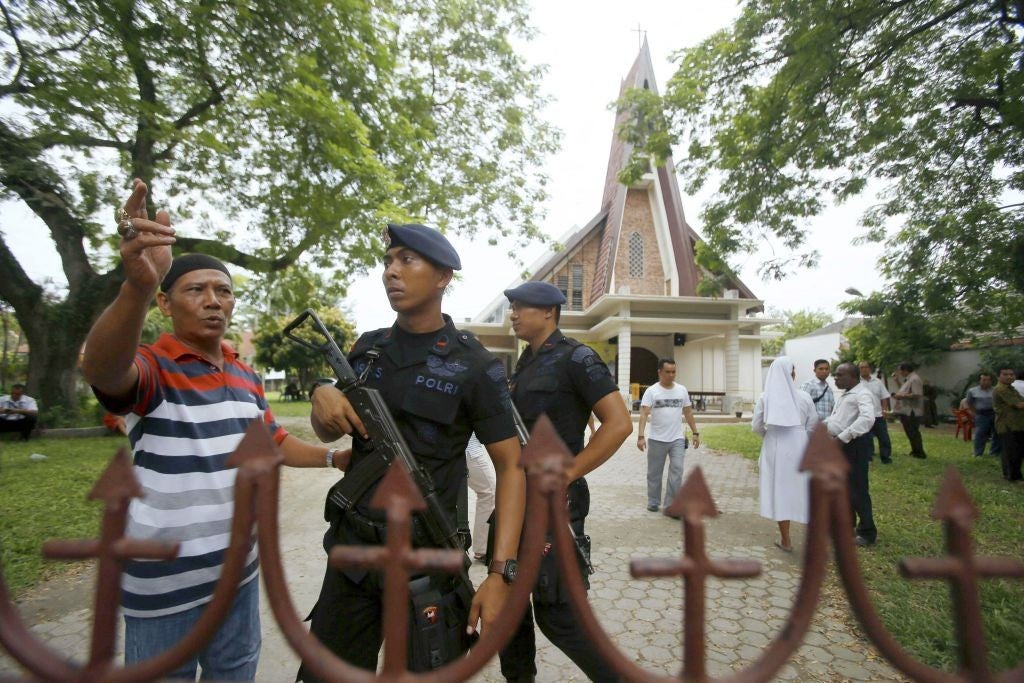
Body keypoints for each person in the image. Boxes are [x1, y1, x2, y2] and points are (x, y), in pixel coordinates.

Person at [81, 179, 346, 681]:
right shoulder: (153, 367)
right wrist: (135, 286)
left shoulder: (243, 371)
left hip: (238, 577)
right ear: (165, 304)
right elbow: (102, 370)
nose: (213, 301)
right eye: (196, 290)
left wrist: (335, 458)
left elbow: (272, 440)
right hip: (165, 589)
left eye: (223, 291)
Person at [302, 223, 525, 679]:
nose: (391, 272)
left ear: (443, 277)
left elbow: (512, 467)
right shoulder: (367, 349)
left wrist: (501, 574)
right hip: (354, 556)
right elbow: (330, 434)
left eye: (406, 260)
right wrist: (319, 395)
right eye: (387, 261)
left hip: (428, 563)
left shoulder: (475, 365)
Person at [500, 281, 632, 683]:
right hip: (515, 500)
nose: (513, 314)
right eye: (513, 307)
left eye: (521, 307)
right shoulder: (525, 363)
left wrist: (571, 470)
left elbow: (619, 424)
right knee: (508, 608)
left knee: (559, 615)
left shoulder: (578, 358)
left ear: (548, 313)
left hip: (556, 504)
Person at [752, 357, 818, 552]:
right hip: (800, 445)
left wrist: (770, 435)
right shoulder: (804, 397)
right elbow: (813, 425)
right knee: (803, 489)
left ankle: (786, 540)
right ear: (792, 374)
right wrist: (800, 437)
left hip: (775, 447)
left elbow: (756, 426)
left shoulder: (766, 397)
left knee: (780, 490)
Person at [638, 358, 701, 514]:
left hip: (677, 439)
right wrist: (640, 436)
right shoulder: (652, 391)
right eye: (668, 372)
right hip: (656, 439)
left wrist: (695, 432)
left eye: (674, 372)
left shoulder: (682, 390)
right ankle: (653, 501)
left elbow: (688, 412)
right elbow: (644, 413)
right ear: (660, 372)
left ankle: (671, 505)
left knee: (677, 470)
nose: (671, 375)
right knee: (654, 473)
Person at [824, 363, 877, 546]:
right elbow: (837, 418)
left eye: (839, 375)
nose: (835, 378)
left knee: (857, 489)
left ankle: (867, 532)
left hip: (853, 446)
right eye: (835, 375)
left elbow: (867, 419)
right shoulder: (846, 393)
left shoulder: (862, 393)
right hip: (839, 444)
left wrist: (842, 437)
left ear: (853, 376)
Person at [465, 432, 496, 562]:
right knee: (489, 492)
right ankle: (482, 548)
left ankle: (481, 547)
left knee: (488, 492)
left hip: (470, 448)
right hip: (471, 450)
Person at [992, 365, 1024, 483]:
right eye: (1005, 374)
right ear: (998, 376)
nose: (1009, 376)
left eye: (1011, 374)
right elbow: (1019, 405)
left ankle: (1012, 475)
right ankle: (1013, 477)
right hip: (1007, 425)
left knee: (1017, 451)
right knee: (1012, 452)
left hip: (1017, 425)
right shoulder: (1001, 389)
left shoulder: (1011, 389)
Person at [857, 361, 893, 464]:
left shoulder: (877, 382)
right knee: (866, 438)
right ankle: (868, 457)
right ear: (859, 370)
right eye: (861, 367)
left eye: (866, 367)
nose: (864, 369)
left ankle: (885, 457)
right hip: (864, 415)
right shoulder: (856, 383)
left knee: (884, 437)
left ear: (869, 369)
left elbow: (884, 397)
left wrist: (885, 410)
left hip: (878, 415)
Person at [892, 362, 928, 459]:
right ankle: (914, 450)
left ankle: (919, 452)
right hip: (907, 410)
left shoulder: (914, 379)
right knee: (909, 431)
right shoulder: (909, 379)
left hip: (912, 410)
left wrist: (901, 396)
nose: (900, 372)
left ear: (905, 370)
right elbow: (904, 391)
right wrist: (897, 381)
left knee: (913, 432)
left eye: (900, 370)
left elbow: (917, 394)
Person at [965, 372, 1001, 458]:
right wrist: (973, 413)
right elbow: (969, 403)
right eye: (984, 380)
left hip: (994, 414)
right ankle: (978, 453)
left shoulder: (995, 390)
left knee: (997, 433)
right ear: (980, 380)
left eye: (988, 380)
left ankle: (994, 452)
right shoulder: (972, 391)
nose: (986, 382)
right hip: (981, 415)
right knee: (980, 433)